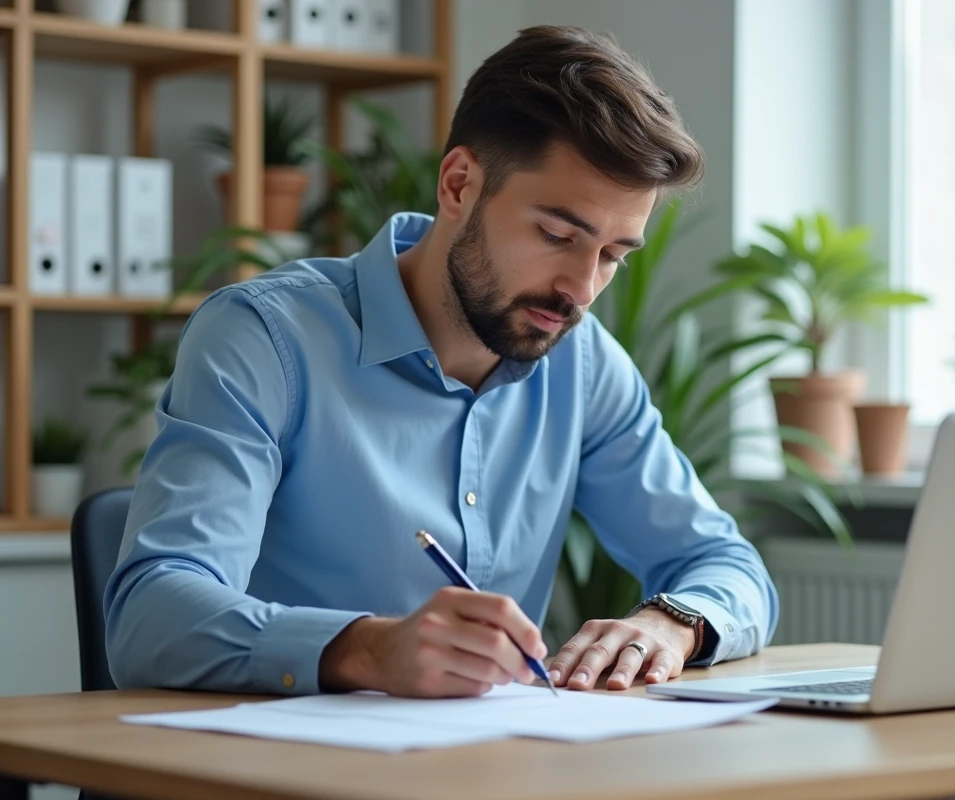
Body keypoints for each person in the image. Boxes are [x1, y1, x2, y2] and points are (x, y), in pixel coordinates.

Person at [104, 24, 778, 699]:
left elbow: (725, 564)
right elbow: (149, 618)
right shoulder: (263, 339)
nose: (581, 289)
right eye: (556, 235)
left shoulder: (584, 364)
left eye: (612, 256)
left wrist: (673, 622)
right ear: (459, 185)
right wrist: (366, 649)